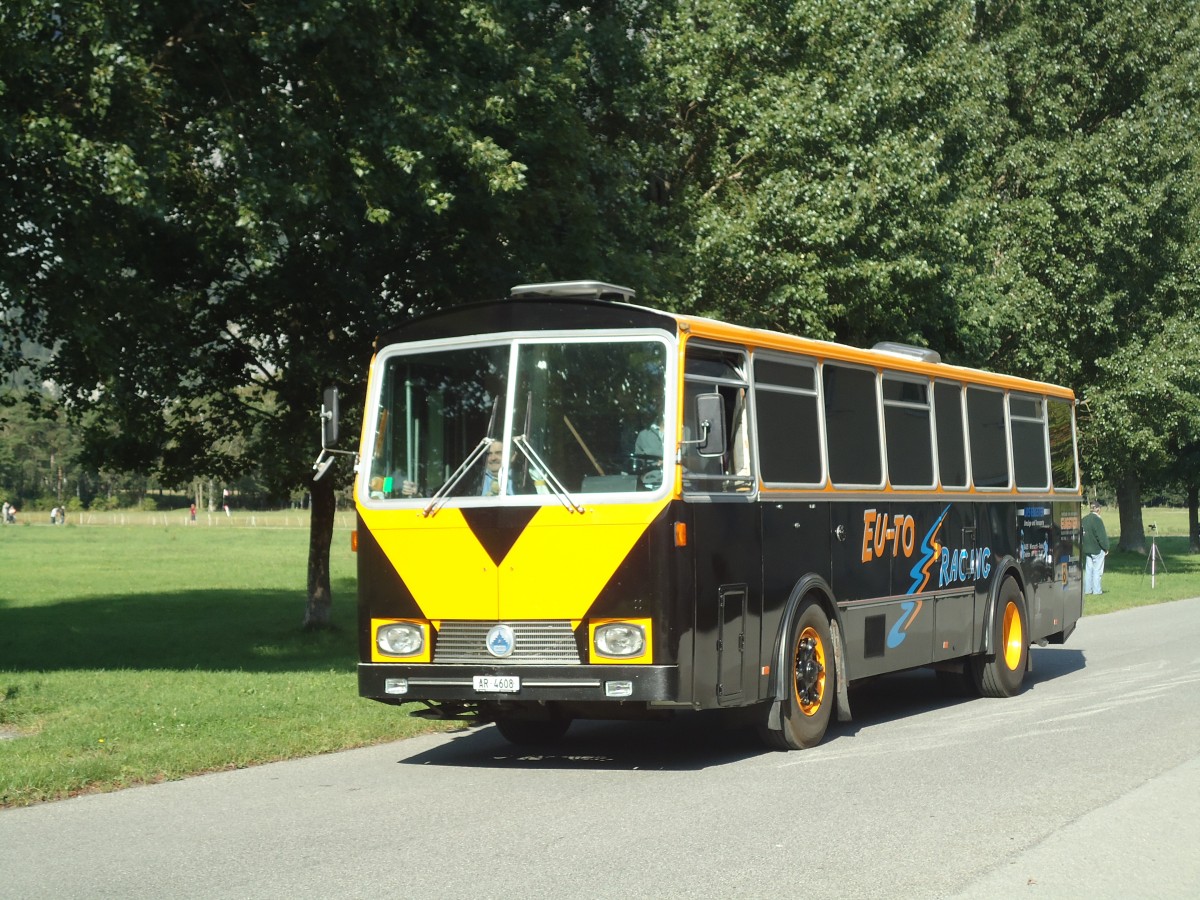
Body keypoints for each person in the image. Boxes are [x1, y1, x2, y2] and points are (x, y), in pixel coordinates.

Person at [1081, 500, 1110, 595]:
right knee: (1097, 571)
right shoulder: (1097, 520)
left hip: (1087, 548)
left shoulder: (1084, 519)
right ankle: (1097, 591)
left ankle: (1088, 590)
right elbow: (1101, 537)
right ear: (1098, 509)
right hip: (1097, 549)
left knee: (1089, 570)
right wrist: (1106, 547)